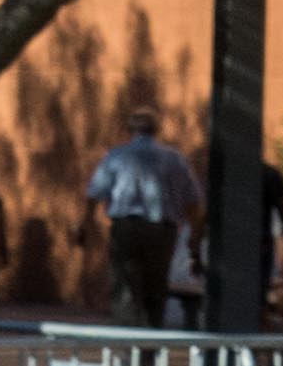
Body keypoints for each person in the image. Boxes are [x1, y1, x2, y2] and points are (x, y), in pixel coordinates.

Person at [86, 99, 201, 324]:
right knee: (156, 289)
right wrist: (195, 236)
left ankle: (128, 344)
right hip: (162, 230)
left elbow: (94, 193)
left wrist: (86, 223)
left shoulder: (117, 156)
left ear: (130, 130)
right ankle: (151, 347)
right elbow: (193, 200)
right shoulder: (174, 159)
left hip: (126, 227)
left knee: (124, 287)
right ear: (157, 129)